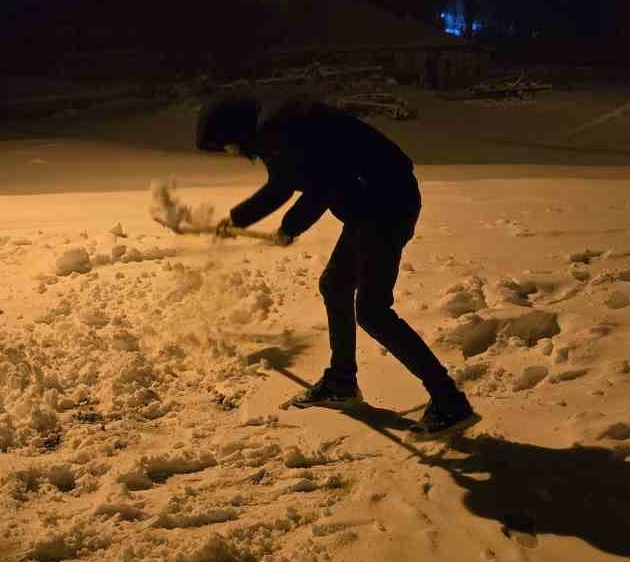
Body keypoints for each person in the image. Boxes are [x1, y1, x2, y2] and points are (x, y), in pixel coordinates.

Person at [195, 90, 478, 437]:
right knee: (335, 285)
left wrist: (289, 227)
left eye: (224, 145)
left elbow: (322, 186)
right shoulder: (276, 130)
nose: (229, 152)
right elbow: (284, 184)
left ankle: (449, 402)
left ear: (233, 132)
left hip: (385, 205)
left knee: (373, 311)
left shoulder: (281, 130)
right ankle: (341, 381)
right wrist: (239, 219)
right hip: (371, 205)